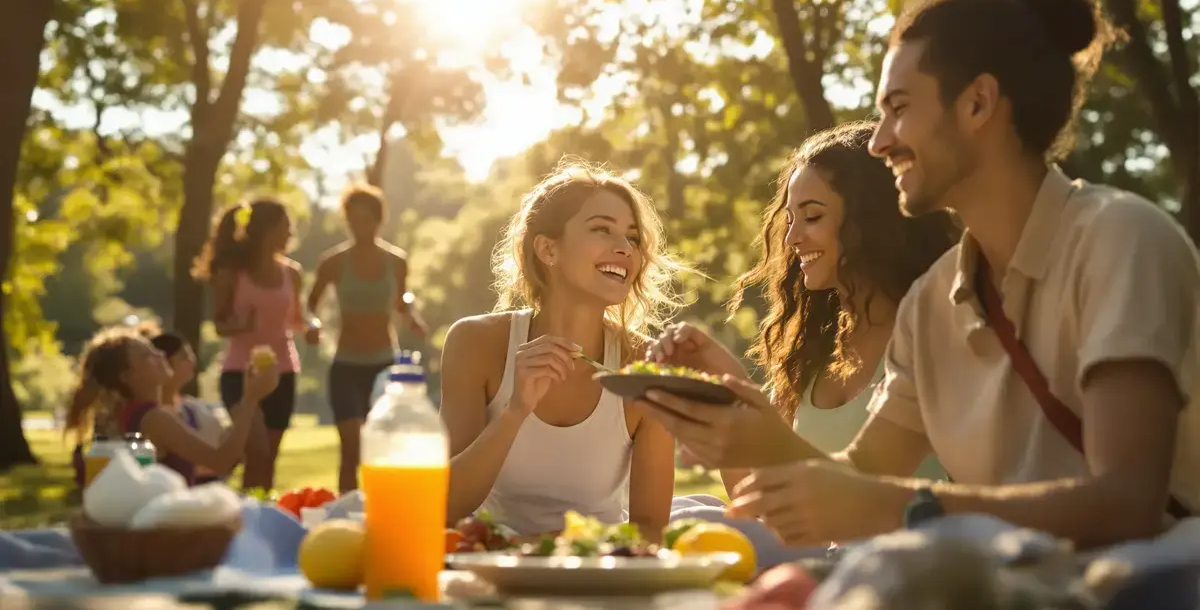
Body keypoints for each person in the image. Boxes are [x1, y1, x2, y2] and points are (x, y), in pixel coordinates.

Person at [638, 0, 1199, 549]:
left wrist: (909, 507)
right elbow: (860, 479)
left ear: (978, 103)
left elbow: (1127, 503)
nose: (879, 141)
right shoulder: (933, 302)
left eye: (899, 108)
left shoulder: (1119, 239)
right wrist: (748, 424)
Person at [654, 121, 955, 568]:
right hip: (825, 558)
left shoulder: (935, 332)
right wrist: (724, 383)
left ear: (870, 220)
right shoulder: (813, 350)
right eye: (790, 219)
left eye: (812, 216)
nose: (792, 238)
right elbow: (757, 501)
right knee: (689, 514)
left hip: (911, 561)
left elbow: (859, 488)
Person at [438, 160, 687, 538]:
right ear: (547, 249)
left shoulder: (646, 368)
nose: (624, 249)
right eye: (602, 229)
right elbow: (443, 507)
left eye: (633, 237)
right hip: (488, 567)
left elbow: (650, 530)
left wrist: (564, 560)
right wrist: (515, 412)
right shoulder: (474, 344)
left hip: (598, 573)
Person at [307, 183, 429, 494]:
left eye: (367, 219)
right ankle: (347, 514)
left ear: (379, 220)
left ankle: (385, 509)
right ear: (347, 221)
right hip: (346, 365)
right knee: (351, 448)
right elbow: (310, 305)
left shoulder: (396, 261)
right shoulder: (332, 262)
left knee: (386, 446)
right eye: (354, 219)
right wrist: (313, 325)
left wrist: (412, 316)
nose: (360, 226)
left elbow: (402, 299)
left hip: (385, 366)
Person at [192, 198, 319, 491]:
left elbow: (298, 319)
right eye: (286, 227)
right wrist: (242, 325)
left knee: (269, 457)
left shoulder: (292, 273)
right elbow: (219, 324)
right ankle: (246, 519)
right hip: (239, 372)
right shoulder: (231, 273)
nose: (291, 234)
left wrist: (312, 328)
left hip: (283, 370)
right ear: (266, 230)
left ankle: (261, 516)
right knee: (256, 451)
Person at [64, 327, 277, 486]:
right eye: (147, 355)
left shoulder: (126, 414)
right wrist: (251, 398)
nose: (160, 355)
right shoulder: (154, 418)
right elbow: (222, 461)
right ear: (128, 376)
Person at [144, 329, 228, 484]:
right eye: (184, 356)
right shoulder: (153, 415)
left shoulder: (192, 407)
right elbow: (219, 460)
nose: (192, 360)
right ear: (164, 362)